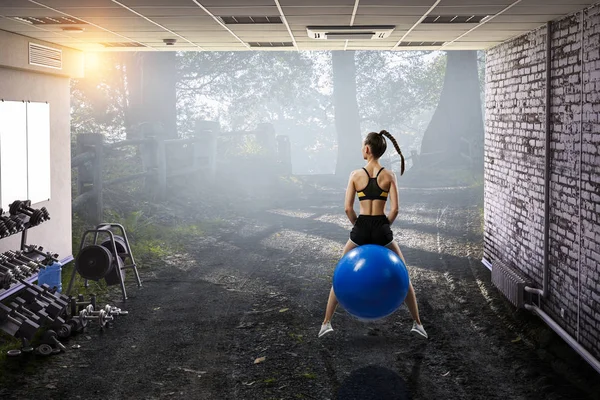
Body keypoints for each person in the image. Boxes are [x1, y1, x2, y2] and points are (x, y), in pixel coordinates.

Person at [318, 130, 428, 339]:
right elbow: (395, 209)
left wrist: (359, 225)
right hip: (381, 228)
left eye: (362, 146)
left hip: (361, 228)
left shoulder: (355, 175)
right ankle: (418, 324)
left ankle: (326, 323)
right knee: (404, 275)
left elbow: (348, 209)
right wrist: (383, 226)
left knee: (340, 275)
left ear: (367, 149)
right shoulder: (389, 175)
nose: (362, 149)